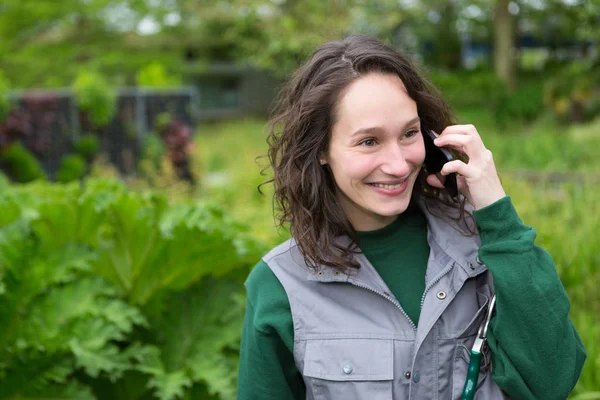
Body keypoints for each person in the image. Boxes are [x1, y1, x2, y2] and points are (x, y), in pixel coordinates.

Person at [237, 35, 586, 399]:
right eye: (369, 141)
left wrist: (497, 214)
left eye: (409, 133)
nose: (399, 164)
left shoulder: (486, 246)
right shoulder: (280, 285)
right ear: (321, 149)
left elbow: (553, 381)